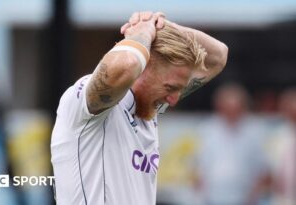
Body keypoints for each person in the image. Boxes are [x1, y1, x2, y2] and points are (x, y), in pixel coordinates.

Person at [51, 11, 228, 205]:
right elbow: (127, 64)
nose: (174, 99)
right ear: (143, 68)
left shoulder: (151, 107)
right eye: (170, 88)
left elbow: (218, 56)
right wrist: (142, 33)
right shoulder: (90, 103)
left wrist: (159, 25)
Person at [195, 83, 271, 205]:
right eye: (227, 109)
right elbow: (199, 167)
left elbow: (263, 170)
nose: (231, 113)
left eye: (235, 109)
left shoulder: (255, 131)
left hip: (244, 198)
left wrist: (254, 196)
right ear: (219, 108)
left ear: (243, 108)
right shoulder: (207, 129)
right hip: (212, 197)